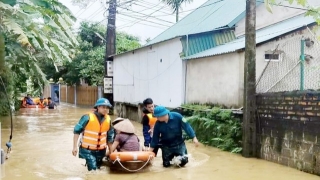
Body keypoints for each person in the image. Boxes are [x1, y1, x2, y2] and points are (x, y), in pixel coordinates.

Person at [72, 98, 115, 171]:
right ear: (98, 107)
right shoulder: (87, 117)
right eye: (103, 107)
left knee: (98, 167)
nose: (105, 109)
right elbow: (76, 131)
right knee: (93, 169)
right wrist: (74, 147)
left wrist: (111, 151)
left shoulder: (108, 120)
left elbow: (110, 137)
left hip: (101, 150)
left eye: (107, 107)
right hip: (88, 150)